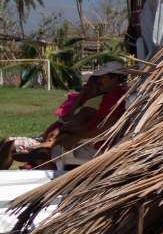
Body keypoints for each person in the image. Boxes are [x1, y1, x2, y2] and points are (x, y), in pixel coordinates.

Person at [0, 62, 131, 169]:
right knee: (60, 137)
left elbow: (105, 128)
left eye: (102, 77)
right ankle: (42, 150)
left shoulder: (114, 96)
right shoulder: (117, 94)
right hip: (96, 142)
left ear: (115, 79)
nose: (99, 80)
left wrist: (75, 137)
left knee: (43, 154)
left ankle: (55, 187)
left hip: (97, 146)